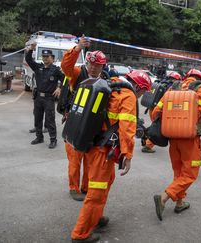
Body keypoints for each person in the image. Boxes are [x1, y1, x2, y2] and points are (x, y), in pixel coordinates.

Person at [64, 43, 151, 242]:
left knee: (106, 183)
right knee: (96, 189)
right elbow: (127, 129)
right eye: (142, 92)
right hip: (101, 151)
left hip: (92, 144)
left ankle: (96, 217)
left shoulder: (108, 82)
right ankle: (81, 233)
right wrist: (128, 156)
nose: (140, 96)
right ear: (138, 87)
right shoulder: (127, 95)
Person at [152, 68, 201, 221]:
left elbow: (155, 112)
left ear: (186, 77)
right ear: (200, 79)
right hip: (191, 140)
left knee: (179, 173)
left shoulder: (173, 88)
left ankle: (180, 202)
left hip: (173, 139)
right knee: (190, 174)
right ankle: (164, 197)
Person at [60, 37, 105, 201]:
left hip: (92, 126)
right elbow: (66, 67)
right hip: (75, 122)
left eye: (97, 65)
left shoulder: (104, 79)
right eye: (91, 64)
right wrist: (77, 48)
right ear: (87, 62)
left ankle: (86, 187)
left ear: (102, 66)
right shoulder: (78, 73)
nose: (93, 67)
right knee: (74, 158)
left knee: (89, 160)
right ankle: (73, 187)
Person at [25, 43, 64, 149]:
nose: (45, 58)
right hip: (38, 97)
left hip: (49, 98)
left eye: (47, 57)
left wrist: (59, 87)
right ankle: (39, 137)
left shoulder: (56, 70)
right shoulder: (38, 67)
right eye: (44, 57)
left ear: (52, 58)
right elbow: (29, 60)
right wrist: (31, 49)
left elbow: (66, 79)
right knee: (37, 118)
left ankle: (53, 139)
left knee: (50, 119)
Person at [141, 71, 182, 153]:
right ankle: (147, 146)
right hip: (158, 111)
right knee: (157, 129)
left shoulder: (162, 83)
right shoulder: (171, 88)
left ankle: (145, 136)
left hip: (152, 108)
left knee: (155, 126)